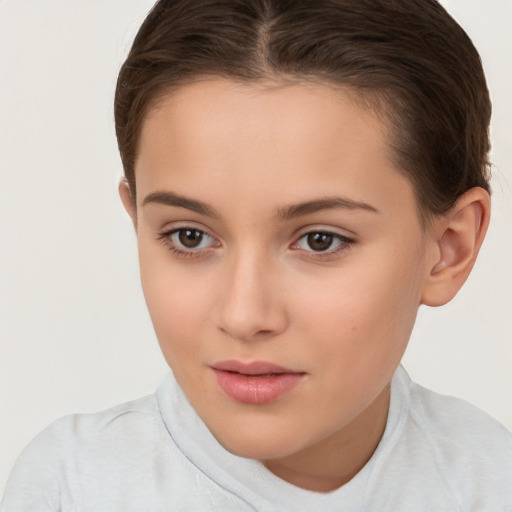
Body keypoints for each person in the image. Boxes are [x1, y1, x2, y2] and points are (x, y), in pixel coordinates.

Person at [2, 0, 511, 510]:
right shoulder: (72, 487)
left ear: (448, 249)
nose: (244, 316)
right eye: (190, 237)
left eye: (320, 240)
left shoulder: (491, 485)